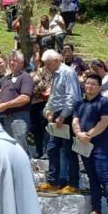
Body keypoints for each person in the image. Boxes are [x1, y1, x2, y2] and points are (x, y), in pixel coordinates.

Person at [74, 74, 108, 214]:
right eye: (87, 84)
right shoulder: (79, 104)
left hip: (100, 146)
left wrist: (88, 135)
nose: (89, 86)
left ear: (99, 87)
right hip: (84, 145)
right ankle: (96, 209)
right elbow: (75, 121)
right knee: (92, 177)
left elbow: (104, 122)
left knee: (104, 176)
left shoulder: (104, 102)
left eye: (93, 84)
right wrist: (79, 134)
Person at [41, 49, 83, 194]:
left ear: (56, 61)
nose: (46, 67)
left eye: (48, 64)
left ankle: (73, 183)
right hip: (57, 114)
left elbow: (73, 97)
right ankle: (53, 181)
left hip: (67, 115)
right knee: (52, 148)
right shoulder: (55, 73)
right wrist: (48, 110)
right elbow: (54, 95)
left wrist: (63, 116)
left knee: (69, 150)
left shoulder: (68, 73)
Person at [0, 50, 34, 156]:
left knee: (20, 149)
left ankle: (25, 172)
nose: (11, 62)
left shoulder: (25, 76)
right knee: (9, 149)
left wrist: (5, 105)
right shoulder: (6, 79)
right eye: (10, 60)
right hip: (6, 118)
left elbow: (25, 98)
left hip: (19, 118)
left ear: (21, 62)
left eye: (15, 60)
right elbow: (2, 96)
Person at [30, 51, 52, 161]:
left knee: (44, 127)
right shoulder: (33, 71)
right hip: (33, 103)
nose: (33, 57)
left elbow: (44, 86)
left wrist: (33, 90)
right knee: (36, 128)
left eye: (35, 55)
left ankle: (46, 151)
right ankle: (39, 151)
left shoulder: (46, 70)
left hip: (44, 102)